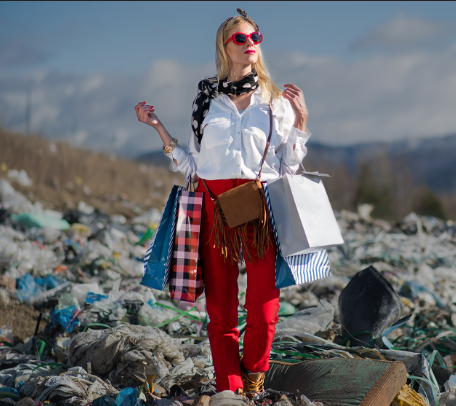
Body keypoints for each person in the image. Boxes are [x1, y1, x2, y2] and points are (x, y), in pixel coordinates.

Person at [134, 8, 310, 399]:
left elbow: (288, 166)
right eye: (241, 38)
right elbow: (194, 166)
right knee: (221, 310)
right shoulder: (206, 101)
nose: (250, 44)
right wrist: (158, 128)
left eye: (255, 37)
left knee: (264, 307)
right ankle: (230, 390)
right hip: (213, 206)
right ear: (225, 46)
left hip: (260, 208)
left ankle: (254, 374)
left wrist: (300, 122)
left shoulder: (275, 101)